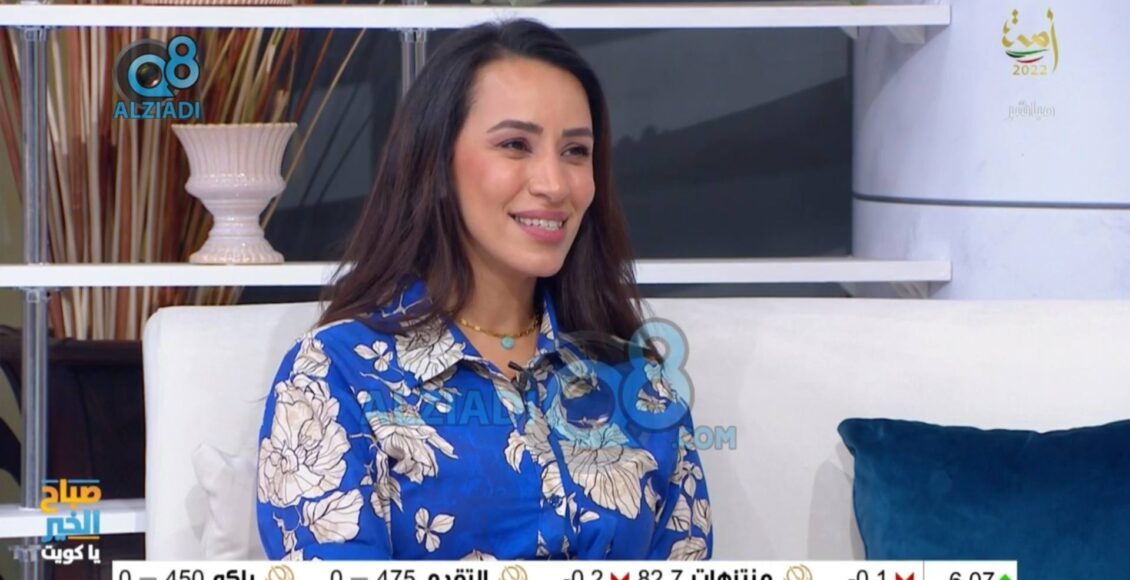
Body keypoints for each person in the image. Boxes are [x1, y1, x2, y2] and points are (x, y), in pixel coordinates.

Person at [255, 18, 712, 560]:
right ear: (437, 163)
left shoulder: (638, 383)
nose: (554, 184)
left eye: (575, 151)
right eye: (516, 144)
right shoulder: (334, 375)